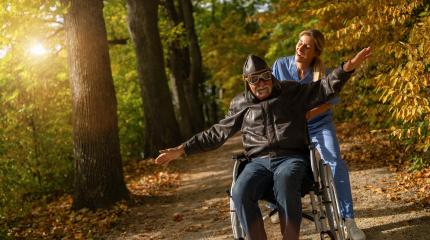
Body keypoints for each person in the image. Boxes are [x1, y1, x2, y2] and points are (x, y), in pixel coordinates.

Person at [155, 48, 371, 240]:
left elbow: (324, 88)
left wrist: (347, 68)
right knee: (240, 191)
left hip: (291, 158)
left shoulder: (291, 92)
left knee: (286, 178)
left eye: (265, 77)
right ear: (247, 82)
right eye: (254, 80)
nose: (261, 84)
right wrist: (182, 149)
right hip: (258, 162)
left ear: (271, 75)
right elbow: (217, 133)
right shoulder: (241, 104)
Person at [272, 29, 366, 240]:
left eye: (307, 46)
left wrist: (307, 114)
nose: (300, 47)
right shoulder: (279, 65)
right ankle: (273, 204)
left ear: (315, 52)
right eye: (299, 42)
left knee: (335, 162)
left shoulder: (321, 72)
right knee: (271, 154)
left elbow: (327, 103)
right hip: (291, 127)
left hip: (318, 124)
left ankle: (349, 220)